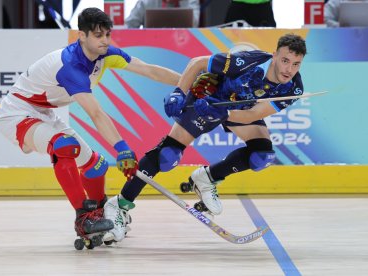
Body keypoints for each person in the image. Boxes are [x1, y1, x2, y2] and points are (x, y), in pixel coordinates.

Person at [0, 7, 180, 242]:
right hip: (17, 113)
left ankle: (100, 213)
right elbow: (96, 113)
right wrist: (122, 148)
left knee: (96, 166)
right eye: (98, 35)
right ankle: (83, 218)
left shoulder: (106, 55)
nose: (105, 41)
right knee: (64, 146)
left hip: (44, 113)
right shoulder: (70, 65)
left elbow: (150, 70)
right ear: (82, 36)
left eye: (107, 35)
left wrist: (188, 80)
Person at [103, 33, 306, 243]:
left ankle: (206, 179)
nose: (288, 69)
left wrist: (225, 114)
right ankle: (119, 206)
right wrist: (179, 93)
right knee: (167, 155)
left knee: (261, 155)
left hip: (235, 110)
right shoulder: (248, 62)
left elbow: (254, 115)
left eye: (296, 64)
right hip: (209, 100)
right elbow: (198, 63)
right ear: (274, 56)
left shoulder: (294, 88)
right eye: (285, 61)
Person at [125, 0, 200, 28]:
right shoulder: (145, 2)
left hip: (183, 45)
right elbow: (129, 25)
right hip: (152, 46)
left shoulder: (191, 1)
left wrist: (183, 2)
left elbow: (194, 23)